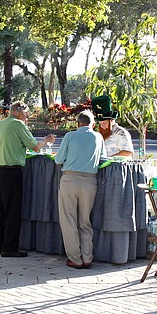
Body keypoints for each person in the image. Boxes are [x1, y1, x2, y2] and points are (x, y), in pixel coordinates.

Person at [0, 101, 56, 258]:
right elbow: (35, 147)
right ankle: (9, 248)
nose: (27, 117)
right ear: (19, 113)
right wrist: (47, 139)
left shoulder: (0, 124)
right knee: (12, 210)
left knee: (0, 209)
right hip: (11, 171)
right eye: (26, 114)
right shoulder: (18, 125)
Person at [55, 110, 105, 269]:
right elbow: (104, 158)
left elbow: (58, 159)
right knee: (85, 221)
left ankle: (75, 259)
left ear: (78, 123)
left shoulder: (70, 136)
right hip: (90, 181)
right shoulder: (98, 137)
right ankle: (88, 257)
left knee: (69, 220)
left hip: (70, 179)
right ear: (93, 124)